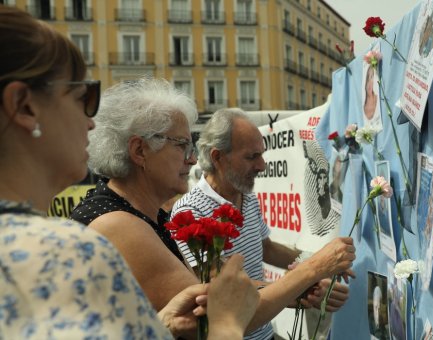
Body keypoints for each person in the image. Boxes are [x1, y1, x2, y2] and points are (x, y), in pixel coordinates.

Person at [0, 5, 257, 339]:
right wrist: (226, 324)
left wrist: (159, 325)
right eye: (84, 96)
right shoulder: (67, 253)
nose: (91, 121)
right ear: (25, 105)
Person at [172, 108, 356, 339]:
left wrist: (320, 262)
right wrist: (306, 285)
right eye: (251, 157)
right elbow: (221, 286)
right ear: (217, 157)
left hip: (264, 331)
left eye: (261, 154)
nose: (262, 166)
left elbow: (267, 248)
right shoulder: (190, 213)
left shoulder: (245, 194)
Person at [70, 77, 202, 311]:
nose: (192, 159)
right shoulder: (118, 223)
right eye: (182, 145)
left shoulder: (145, 213)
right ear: (139, 150)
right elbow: (209, 314)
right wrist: (291, 283)